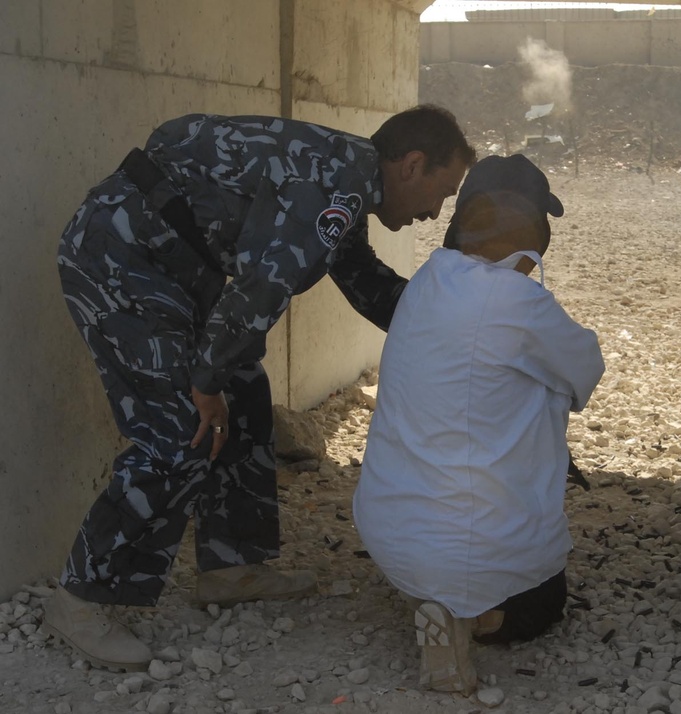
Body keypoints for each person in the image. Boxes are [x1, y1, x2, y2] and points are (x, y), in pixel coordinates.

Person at [44, 106, 476, 672]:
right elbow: (259, 289)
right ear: (412, 165)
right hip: (119, 259)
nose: (433, 213)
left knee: (243, 387)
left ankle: (229, 567)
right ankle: (78, 599)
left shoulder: (345, 180)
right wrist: (202, 381)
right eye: (440, 193)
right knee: (181, 428)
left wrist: (465, 324)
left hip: (167, 270)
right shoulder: (331, 186)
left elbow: (365, 283)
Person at [353, 154, 605, 694]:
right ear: (528, 227)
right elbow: (586, 368)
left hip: (388, 534)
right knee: (543, 603)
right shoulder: (517, 301)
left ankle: (429, 592)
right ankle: (471, 617)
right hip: (469, 547)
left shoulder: (427, 279)